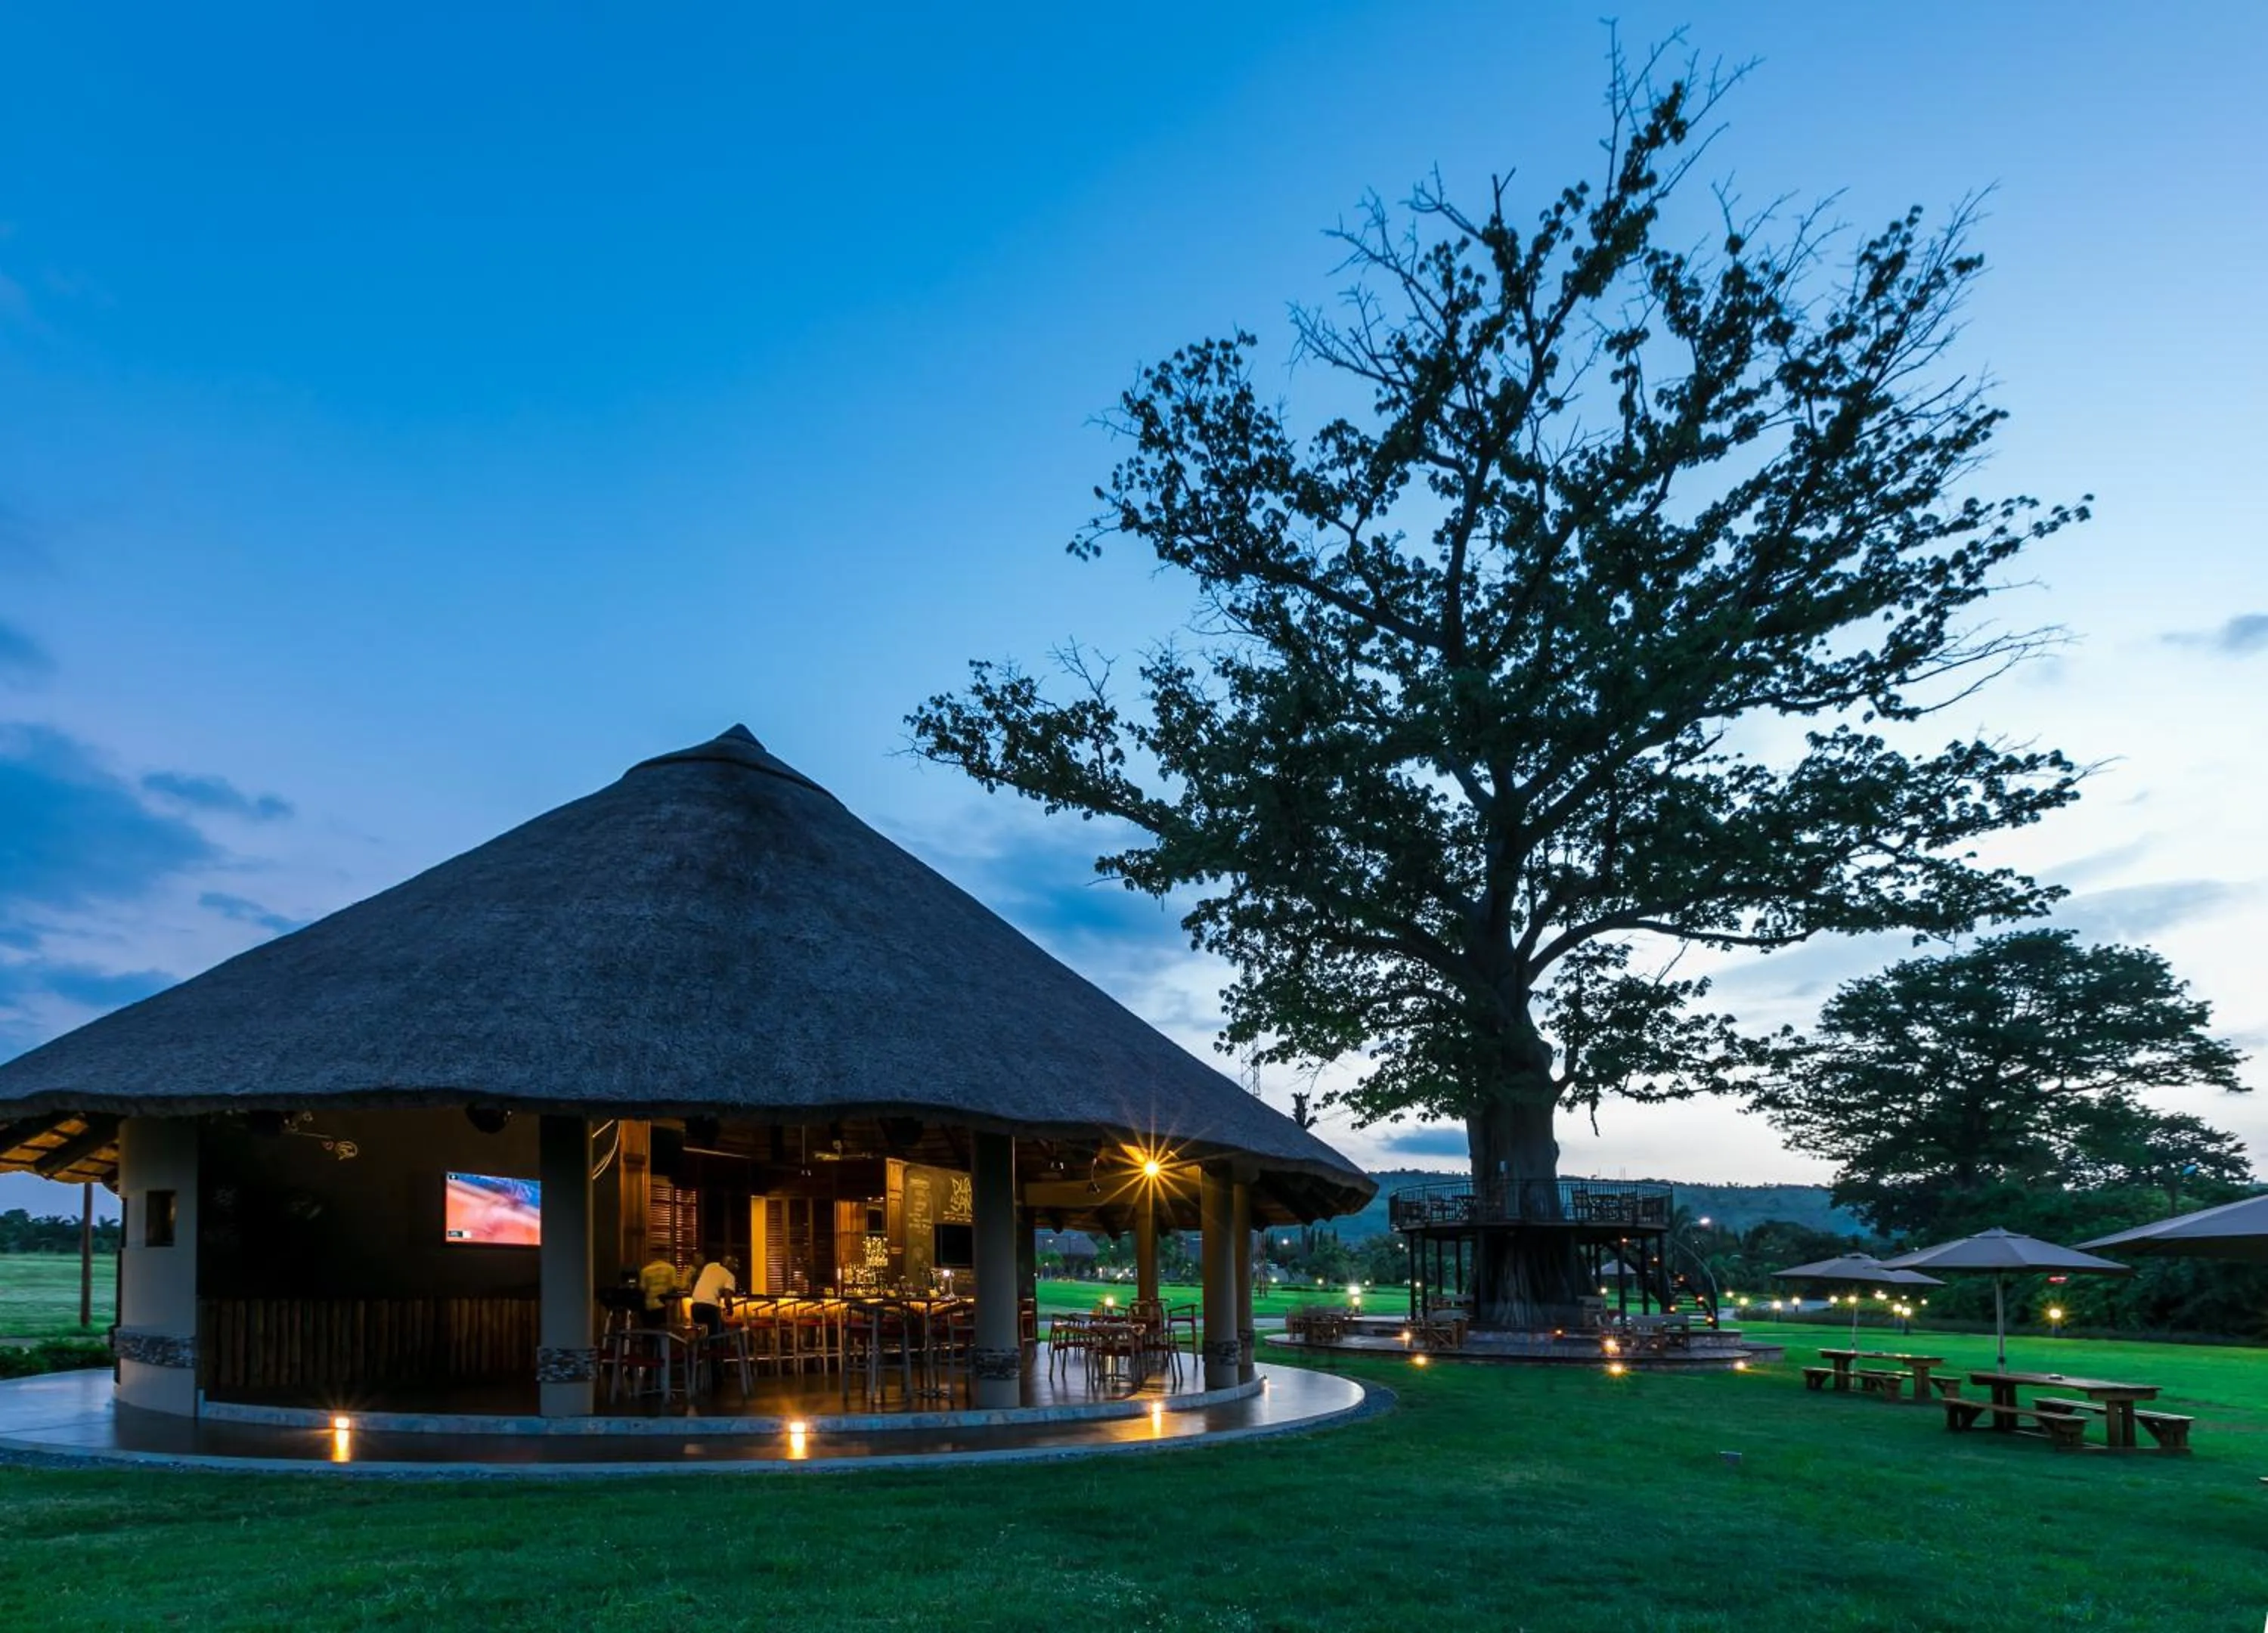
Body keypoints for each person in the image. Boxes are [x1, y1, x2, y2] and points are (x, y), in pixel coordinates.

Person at [689, 1253, 739, 1336]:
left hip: (695, 1305)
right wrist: (730, 1310)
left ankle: (701, 1347)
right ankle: (714, 1347)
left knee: (701, 1332)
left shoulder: (710, 1266)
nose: (736, 1267)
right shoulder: (730, 1276)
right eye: (735, 1264)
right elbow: (727, 1299)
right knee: (716, 1335)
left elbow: (698, 1278)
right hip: (710, 1307)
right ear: (728, 1264)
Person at [639, 1257, 683, 1322]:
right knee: (662, 1328)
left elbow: (642, 1288)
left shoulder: (645, 1270)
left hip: (649, 1305)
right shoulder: (670, 1269)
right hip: (664, 1304)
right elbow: (673, 1286)